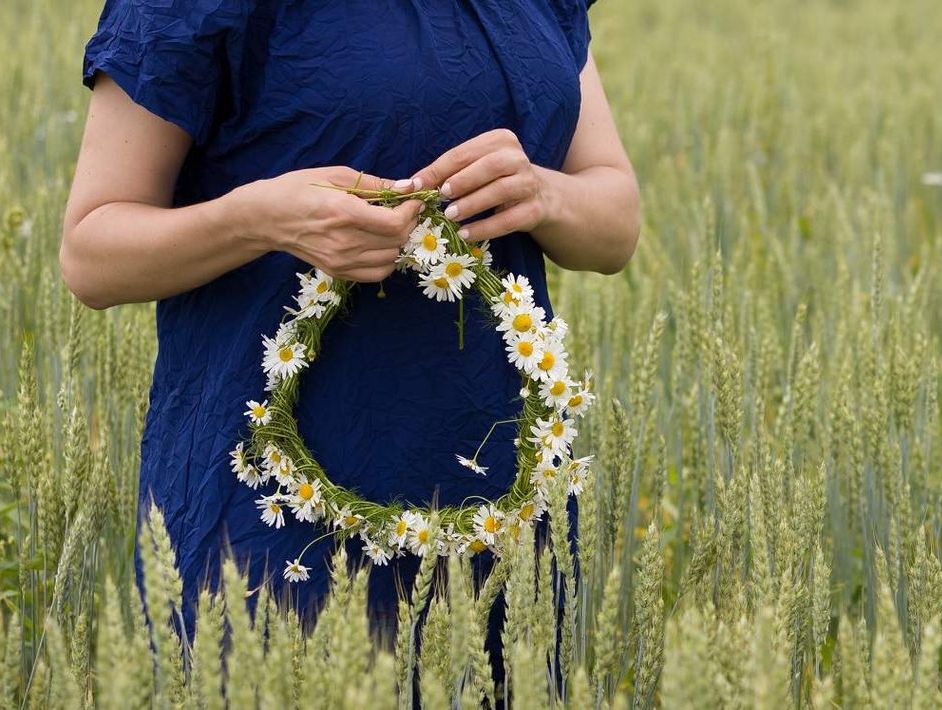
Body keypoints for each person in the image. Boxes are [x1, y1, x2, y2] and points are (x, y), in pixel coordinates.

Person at [61, 0, 639, 687]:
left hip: (502, 512)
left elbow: (616, 220)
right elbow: (91, 252)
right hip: (276, 516)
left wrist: (543, 194)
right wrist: (259, 218)